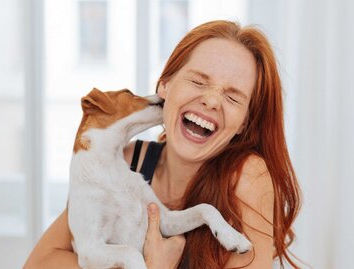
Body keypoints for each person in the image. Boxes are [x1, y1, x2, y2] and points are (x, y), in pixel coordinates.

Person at [24, 20, 301, 269]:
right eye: (198, 80)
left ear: (244, 123)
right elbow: (39, 263)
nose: (212, 100)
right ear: (165, 86)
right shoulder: (127, 159)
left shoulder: (248, 176)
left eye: (233, 97)